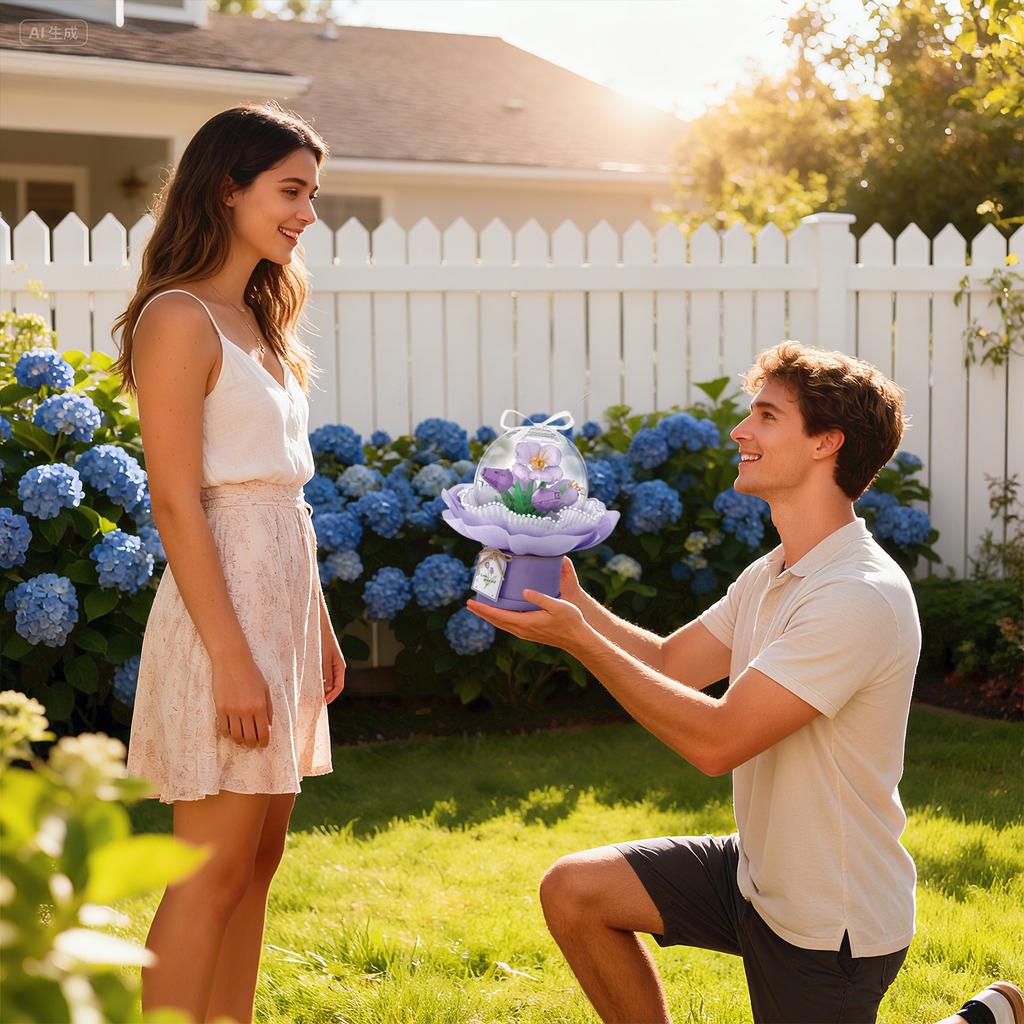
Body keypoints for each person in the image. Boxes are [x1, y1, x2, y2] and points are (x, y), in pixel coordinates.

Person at [468, 341, 922, 1024]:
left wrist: (579, 640)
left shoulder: (856, 596)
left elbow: (717, 742)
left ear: (827, 442)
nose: (740, 431)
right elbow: (673, 663)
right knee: (577, 891)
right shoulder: (774, 573)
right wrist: (576, 602)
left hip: (834, 921)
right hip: (757, 877)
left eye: (767, 417)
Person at [113, 101, 344, 1023]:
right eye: (291, 191)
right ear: (227, 188)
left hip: (282, 605)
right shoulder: (178, 318)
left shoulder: (258, 320)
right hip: (225, 618)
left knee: (257, 861)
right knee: (208, 871)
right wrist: (234, 656)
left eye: (312, 195)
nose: (306, 214)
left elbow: (286, 495)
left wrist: (316, 627)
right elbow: (177, 501)